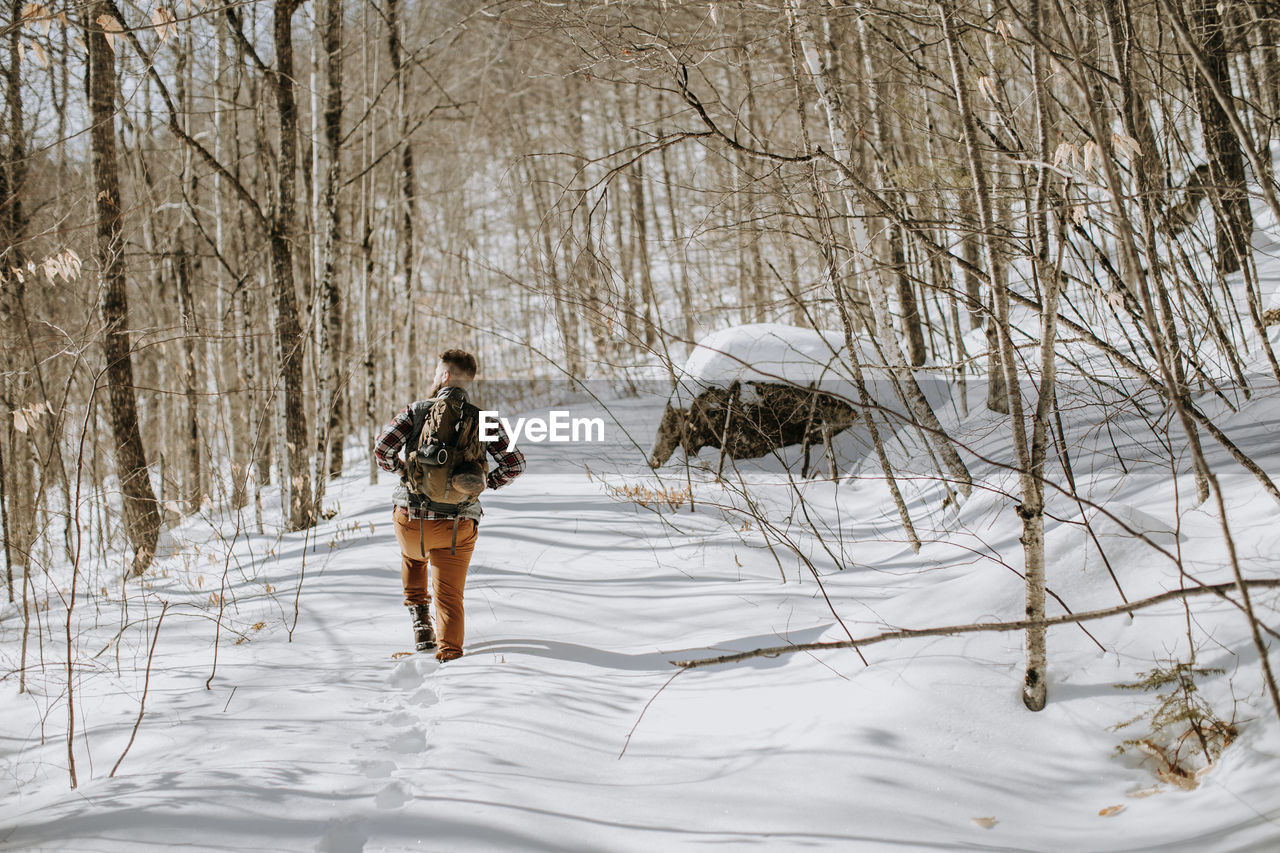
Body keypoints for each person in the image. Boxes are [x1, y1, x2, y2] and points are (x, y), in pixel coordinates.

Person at [374, 349, 525, 661]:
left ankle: (420, 623)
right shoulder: (484, 420)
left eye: (435, 371)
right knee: (450, 597)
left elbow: (382, 449)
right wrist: (483, 484)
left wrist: (404, 472)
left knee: (414, 559)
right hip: (456, 526)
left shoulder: (414, 412)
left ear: (443, 376)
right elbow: (515, 464)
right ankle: (451, 657)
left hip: (411, 520)